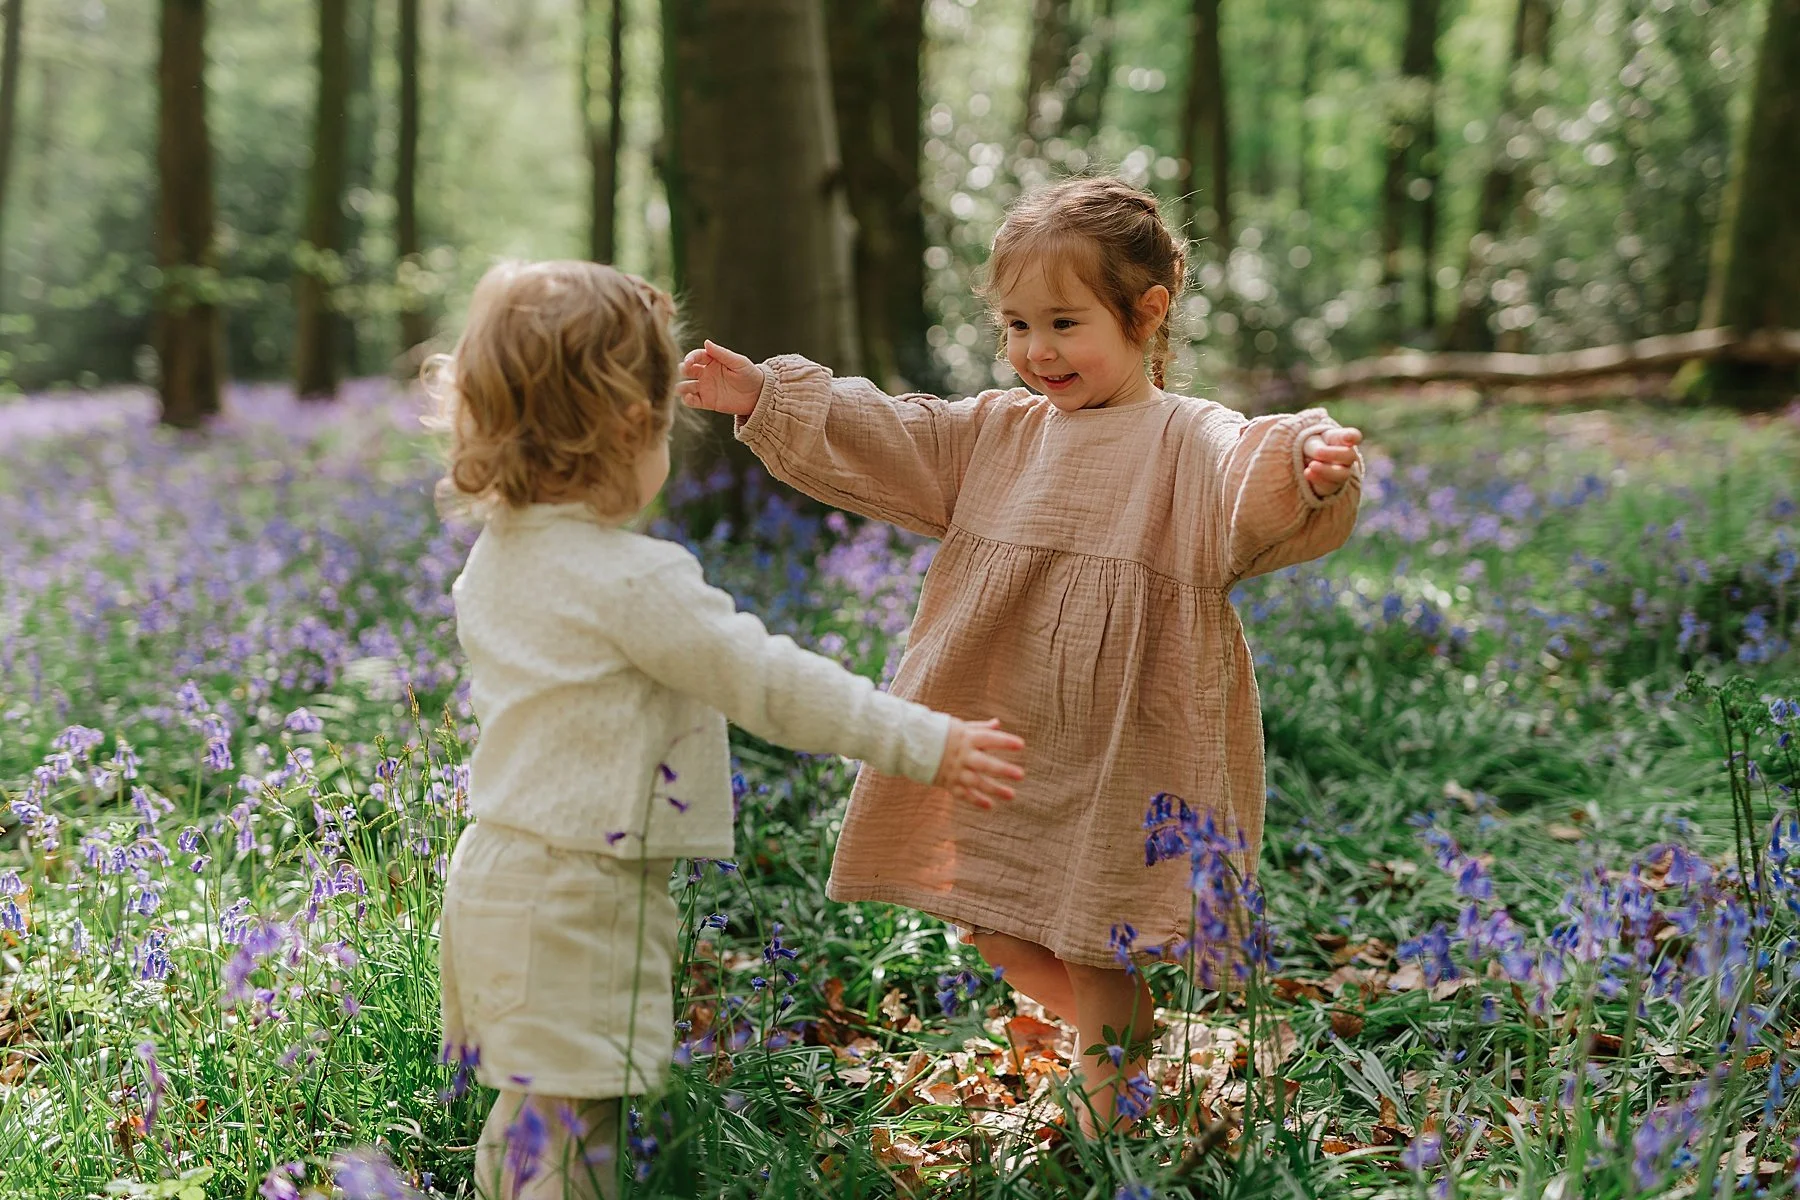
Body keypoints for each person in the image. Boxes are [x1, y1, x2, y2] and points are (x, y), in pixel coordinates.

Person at [677, 176, 1365, 1131]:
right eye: (1016, 325)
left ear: (1146, 314)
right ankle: (1121, 1033)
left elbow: (1248, 470)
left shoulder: (1186, 437)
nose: (1038, 350)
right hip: (1003, 723)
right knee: (989, 915)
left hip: (1126, 736)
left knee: (1095, 933)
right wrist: (766, 393)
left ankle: (1107, 1109)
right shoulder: (998, 433)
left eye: (1065, 323)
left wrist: (1306, 467)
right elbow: (895, 431)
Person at [427, 260, 1026, 1198]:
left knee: (534, 1113)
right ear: (633, 428)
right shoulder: (635, 581)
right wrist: (928, 742)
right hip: (580, 895)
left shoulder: (497, 556)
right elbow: (772, 684)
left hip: (493, 876)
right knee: (576, 1127)